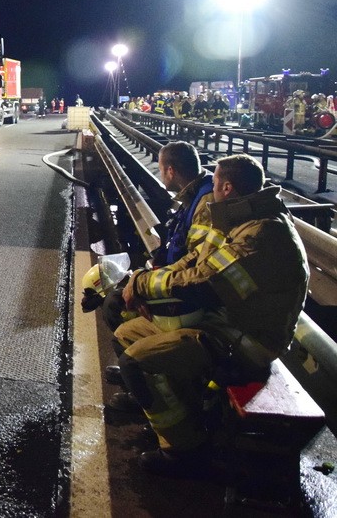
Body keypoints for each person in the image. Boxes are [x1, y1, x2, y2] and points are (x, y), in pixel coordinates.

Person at [114, 154, 309, 477]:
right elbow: (195, 262)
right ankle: (166, 408)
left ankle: (185, 449)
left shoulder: (259, 235)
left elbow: (202, 283)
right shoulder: (245, 220)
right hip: (227, 325)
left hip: (248, 340)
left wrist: (143, 286)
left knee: (137, 361)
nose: (211, 189)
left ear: (228, 188)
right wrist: (139, 282)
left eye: (215, 183)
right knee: (129, 333)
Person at [101, 141, 214, 390]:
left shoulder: (203, 204)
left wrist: (145, 284)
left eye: (162, 170)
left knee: (115, 305)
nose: (160, 176)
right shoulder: (195, 196)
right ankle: (143, 367)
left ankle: (148, 372)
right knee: (116, 299)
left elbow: (195, 262)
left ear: (171, 171)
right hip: (177, 281)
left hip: (187, 293)